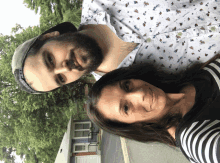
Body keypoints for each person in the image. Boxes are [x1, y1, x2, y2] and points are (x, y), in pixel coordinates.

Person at [12, 0, 220, 93]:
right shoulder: (129, 92)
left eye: (50, 59)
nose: (65, 67)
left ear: (50, 36)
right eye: (60, 78)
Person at [87, 54, 220, 163]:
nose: (139, 94)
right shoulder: (196, 140)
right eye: (126, 108)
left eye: (127, 86)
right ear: (129, 126)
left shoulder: (189, 78)